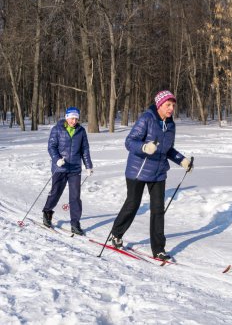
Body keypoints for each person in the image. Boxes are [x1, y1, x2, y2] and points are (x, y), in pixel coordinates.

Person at [110, 90, 193, 260]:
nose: (171, 109)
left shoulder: (171, 125)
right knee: (132, 204)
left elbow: (167, 149)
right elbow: (129, 142)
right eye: (167, 105)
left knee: (158, 210)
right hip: (138, 170)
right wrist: (144, 147)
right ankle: (116, 234)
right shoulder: (147, 119)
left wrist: (182, 160)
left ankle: (158, 249)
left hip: (158, 172)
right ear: (159, 105)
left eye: (173, 106)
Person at [42, 106, 93, 235]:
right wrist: (57, 159)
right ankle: (47, 212)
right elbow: (51, 147)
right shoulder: (57, 129)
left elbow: (85, 150)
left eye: (76, 118)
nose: (74, 121)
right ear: (67, 117)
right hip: (60, 167)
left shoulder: (81, 131)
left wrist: (88, 165)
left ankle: (75, 223)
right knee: (56, 192)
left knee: (75, 197)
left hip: (75, 168)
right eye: (72, 118)